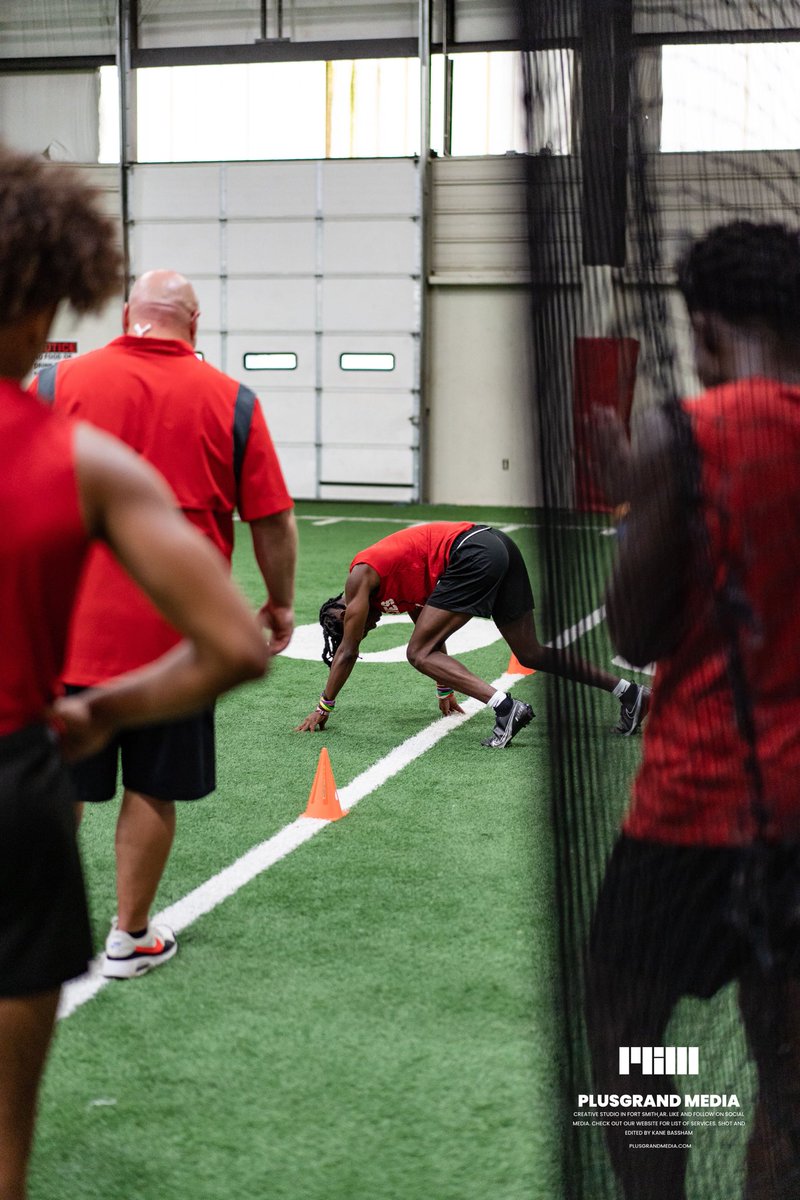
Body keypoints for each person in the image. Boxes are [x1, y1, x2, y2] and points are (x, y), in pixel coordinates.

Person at [0, 146, 268, 1200]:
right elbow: (237, 643)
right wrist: (107, 707)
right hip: (15, 773)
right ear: (42, 302)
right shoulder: (79, 459)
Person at [586, 221, 800, 1200]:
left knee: (630, 1033)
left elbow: (631, 635)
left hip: (695, 804)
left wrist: (638, 498)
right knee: (781, 1069)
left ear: (702, 326)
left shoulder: (691, 431)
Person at [30, 269, 297, 980]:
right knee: (154, 784)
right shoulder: (232, 399)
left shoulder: (59, 384)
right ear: (195, 323)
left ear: (125, 317)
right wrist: (280, 603)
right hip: (183, 642)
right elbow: (271, 518)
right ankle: (130, 935)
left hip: (68, 634)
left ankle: (30, 922)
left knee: (61, 782)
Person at [296, 521, 649, 747]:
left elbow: (347, 652)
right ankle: (629, 693)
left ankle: (506, 707)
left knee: (415, 654)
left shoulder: (359, 577)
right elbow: (431, 632)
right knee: (530, 652)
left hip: (473, 552)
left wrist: (323, 708)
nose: (363, 630)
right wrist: (445, 688)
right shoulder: (394, 594)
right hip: (496, 545)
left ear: (344, 612)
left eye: (351, 626)